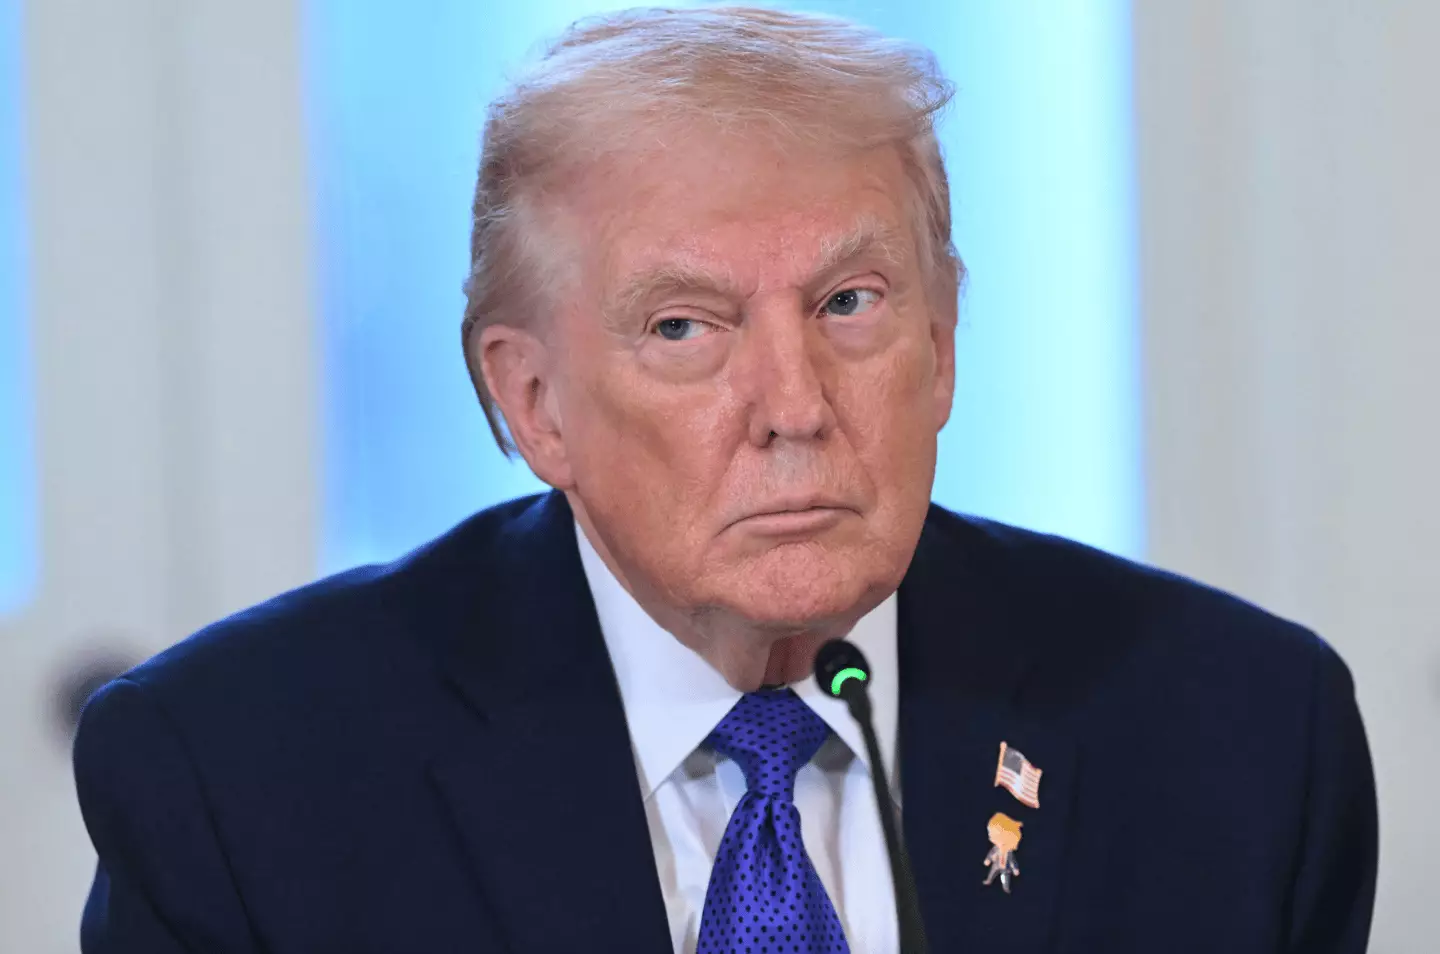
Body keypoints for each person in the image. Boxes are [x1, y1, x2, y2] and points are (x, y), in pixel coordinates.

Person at [72, 7, 1377, 953]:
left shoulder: (1240, 737)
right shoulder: (242, 778)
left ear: (940, 343)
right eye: (685, 328)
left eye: (851, 303)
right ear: (532, 402)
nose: (796, 407)